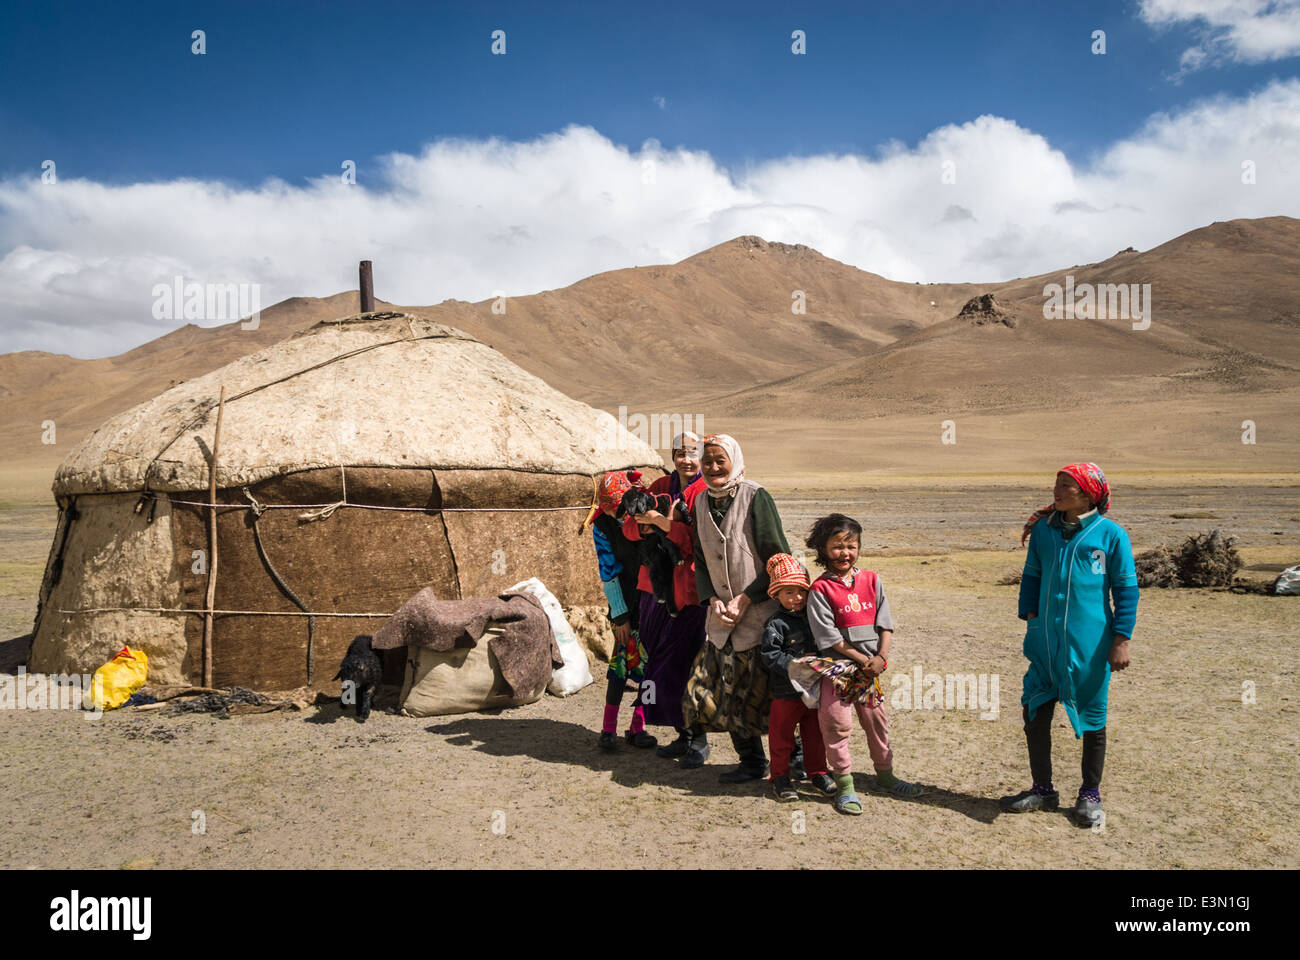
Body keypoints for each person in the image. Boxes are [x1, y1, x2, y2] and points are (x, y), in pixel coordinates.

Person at [1000, 463, 1138, 828]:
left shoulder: (1110, 535)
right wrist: (1030, 620)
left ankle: (1090, 795)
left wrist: (1121, 640)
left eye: (1066, 487)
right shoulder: (1044, 532)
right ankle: (1042, 789)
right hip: (1045, 643)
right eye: (1056, 485)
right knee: (1035, 710)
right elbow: (1031, 576)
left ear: (1089, 494)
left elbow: (1126, 591)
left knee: (1093, 717)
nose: (1057, 492)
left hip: (1091, 645)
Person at [681, 433, 789, 782]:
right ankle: (751, 762)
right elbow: (699, 554)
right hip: (722, 618)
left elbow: (778, 557)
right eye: (707, 460)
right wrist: (711, 597)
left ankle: (795, 761)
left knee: (769, 692)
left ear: (733, 460)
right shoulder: (700, 502)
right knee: (721, 692)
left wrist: (746, 598)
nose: (712, 467)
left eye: (719, 460)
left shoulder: (756, 497)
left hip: (759, 615)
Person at [805, 513, 924, 815]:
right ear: (822, 549)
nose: (844, 553)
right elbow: (829, 637)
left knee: (876, 724)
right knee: (837, 725)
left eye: (851, 545)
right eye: (836, 546)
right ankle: (844, 787)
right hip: (838, 672)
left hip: (870, 671)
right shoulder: (820, 590)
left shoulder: (872, 580)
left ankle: (885, 775)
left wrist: (881, 658)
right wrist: (863, 660)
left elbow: (885, 624)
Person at [620, 432, 709, 759]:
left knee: (689, 663)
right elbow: (629, 529)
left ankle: (699, 739)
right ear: (672, 456)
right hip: (653, 588)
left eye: (693, 453)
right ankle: (681, 732)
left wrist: (661, 522)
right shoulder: (658, 487)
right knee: (658, 662)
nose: (687, 459)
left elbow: (697, 543)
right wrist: (647, 526)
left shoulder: (706, 491)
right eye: (681, 453)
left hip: (689, 590)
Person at [581, 470, 658, 752]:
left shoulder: (644, 511)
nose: (620, 515)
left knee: (650, 670)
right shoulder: (602, 524)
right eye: (613, 509)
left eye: (621, 509)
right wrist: (620, 616)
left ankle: (639, 726)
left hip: (652, 601)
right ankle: (608, 729)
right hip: (625, 600)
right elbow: (608, 571)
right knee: (619, 668)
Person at [760, 553, 835, 802]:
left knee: (815, 734)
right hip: (786, 692)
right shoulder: (776, 624)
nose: (797, 598)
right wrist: (795, 666)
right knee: (781, 736)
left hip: (814, 691)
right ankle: (780, 777)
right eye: (789, 592)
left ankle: (817, 772)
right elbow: (770, 655)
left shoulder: (815, 618)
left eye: (801, 591)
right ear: (776, 595)